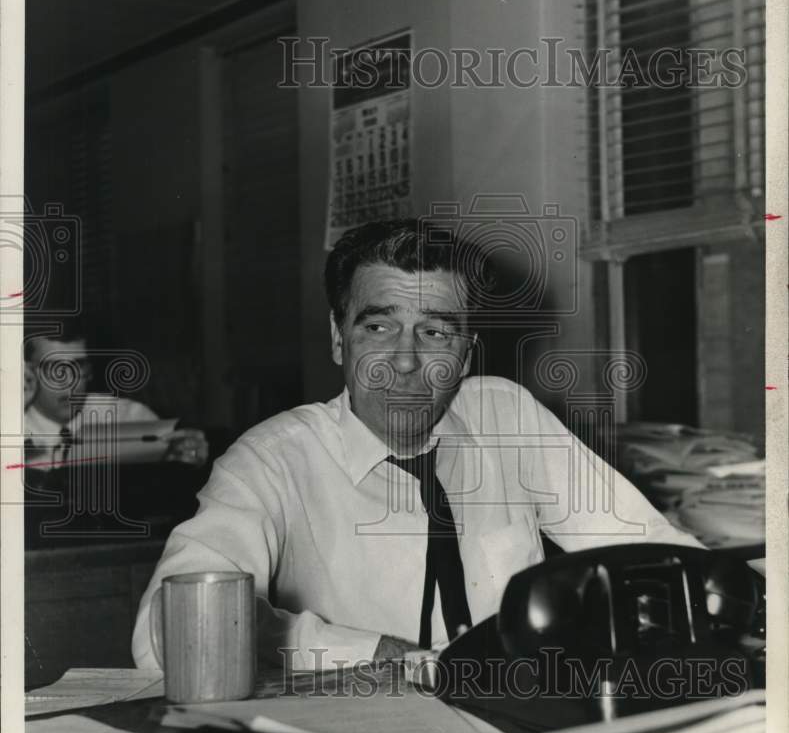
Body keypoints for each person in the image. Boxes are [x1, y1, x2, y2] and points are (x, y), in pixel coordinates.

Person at [132, 219, 702, 672]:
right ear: (338, 339)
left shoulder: (504, 413)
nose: (406, 362)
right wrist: (377, 655)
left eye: (435, 332)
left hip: (517, 722)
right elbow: (173, 631)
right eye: (378, 328)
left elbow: (649, 549)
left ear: (465, 355)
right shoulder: (272, 459)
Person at [25, 322, 208, 468]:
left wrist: (184, 461)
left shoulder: (128, 418)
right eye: (53, 369)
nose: (70, 382)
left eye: (79, 366)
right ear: (26, 372)